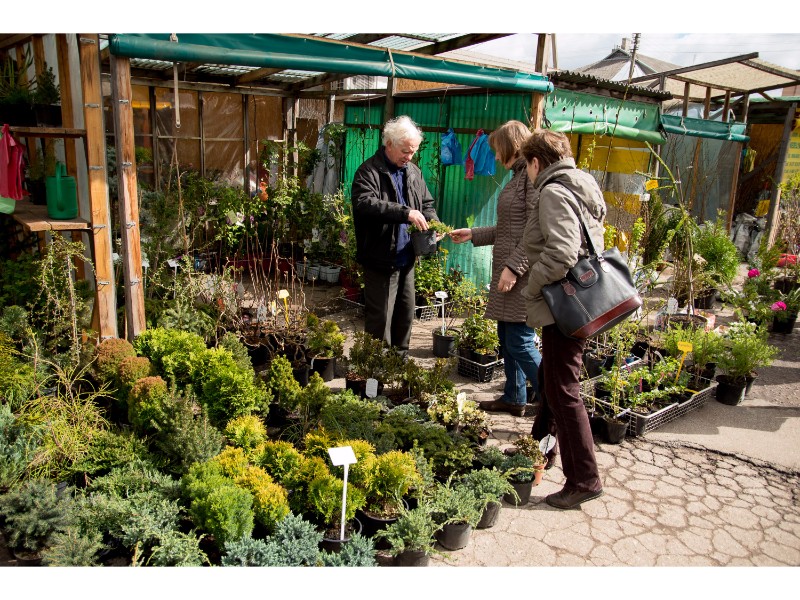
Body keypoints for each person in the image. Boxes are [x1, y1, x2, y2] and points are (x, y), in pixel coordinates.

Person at [519, 129, 607, 510]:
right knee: (551, 379)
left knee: (562, 389)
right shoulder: (581, 183)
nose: (526, 173)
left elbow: (562, 253)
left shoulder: (553, 192)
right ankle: (541, 450)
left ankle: (584, 479)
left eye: (526, 165)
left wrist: (533, 284)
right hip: (581, 299)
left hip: (565, 303)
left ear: (536, 162)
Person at [450, 120, 541, 418]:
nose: (496, 157)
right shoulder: (517, 177)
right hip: (510, 271)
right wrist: (473, 234)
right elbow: (508, 228)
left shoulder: (530, 178)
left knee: (520, 341)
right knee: (507, 336)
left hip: (522, 274)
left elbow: (536, 231)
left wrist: (514, 268)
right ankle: (514, 397)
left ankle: (557, 400)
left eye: (498, 150)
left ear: (511, 146)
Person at [351, 115, 439, 355]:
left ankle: (399, 361)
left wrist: (433, 224)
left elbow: (427, 203)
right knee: (380, 318)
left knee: (405, 312)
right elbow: (365, 204)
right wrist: (405, 213)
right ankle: (375, 365)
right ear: (389, 144)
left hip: (406, 257)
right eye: (405, 151)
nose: (409, 157)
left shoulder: (413, 172)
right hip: (380, 258)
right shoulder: (368, 172)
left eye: (413, 152)